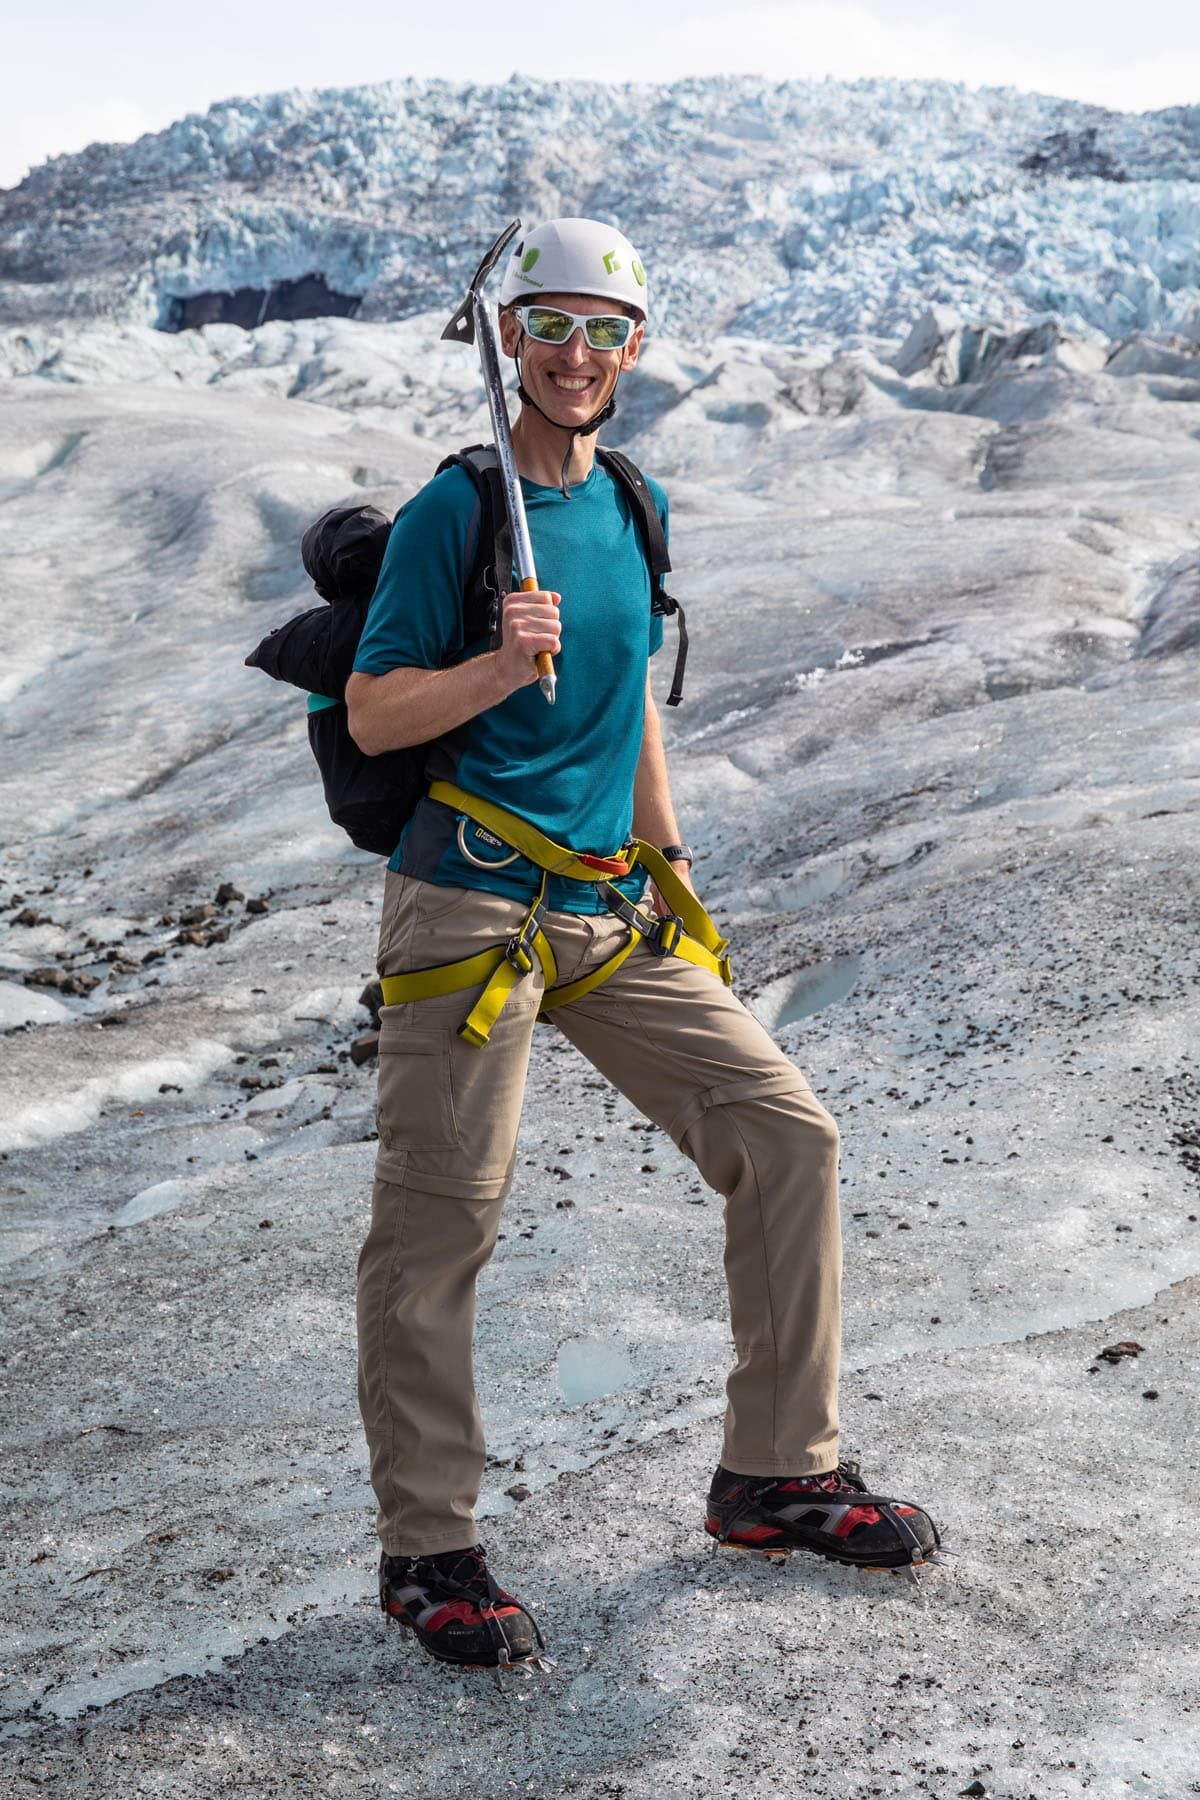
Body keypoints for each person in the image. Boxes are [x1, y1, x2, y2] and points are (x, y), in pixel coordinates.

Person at [345, 218, 939, 1675]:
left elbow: (634, 717)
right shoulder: (456, 515)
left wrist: (674, 873)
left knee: (787, 1136)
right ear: (509, 339)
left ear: (637, 347)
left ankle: (775, 1473)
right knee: (442, 1225)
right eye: (550, 324)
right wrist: (495, 662)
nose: (577, 353)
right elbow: (374, 716)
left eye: (605, 329)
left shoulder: (628, 504)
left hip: (607, 911)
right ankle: (431, 1551)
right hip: (473, 911)